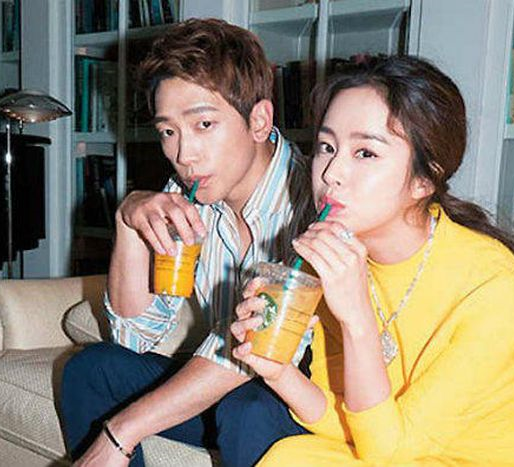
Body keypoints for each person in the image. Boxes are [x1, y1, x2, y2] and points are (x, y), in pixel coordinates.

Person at [230, 56, 514, 465]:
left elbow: (390, 453)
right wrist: (278, 371)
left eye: (365, 153)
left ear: (424, 179)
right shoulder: (336, 266)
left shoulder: (492, 285)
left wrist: (357, 320)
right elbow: (349, 421)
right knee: (289, 456)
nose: (331, 173)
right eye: (326, 147)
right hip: (400, 449)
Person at [60, 18, 314, 467]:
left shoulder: (313, 201)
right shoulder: (187, 197)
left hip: (304, 401)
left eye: (203, 124)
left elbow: (256, 350)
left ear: (259, 120)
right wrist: (127, 223)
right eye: (168, 131)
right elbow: (134, 337)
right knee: (91, 369)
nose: (183, 155)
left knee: (248, 410)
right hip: (224, 389)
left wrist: (121, 431)